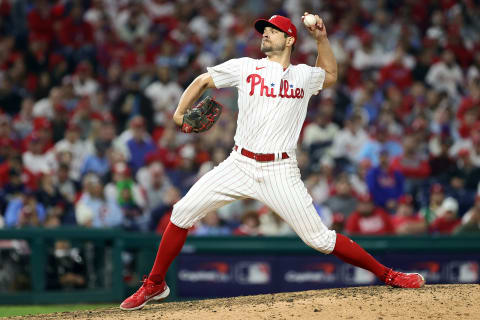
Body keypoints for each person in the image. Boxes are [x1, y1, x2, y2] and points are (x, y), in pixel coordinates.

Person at [120, 13, 424, 311]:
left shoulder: (303, 75)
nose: (265, 33)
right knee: (182, 212)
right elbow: (202, 81)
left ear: (290, 39)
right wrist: (178, 113)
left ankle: (388, 274)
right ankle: (155, 283)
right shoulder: (245, 68)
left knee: (319, 239)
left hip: (280, 170)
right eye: (264, 30)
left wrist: (321, 38)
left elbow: (330, 75)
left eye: (273, 30)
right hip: (238, 164)